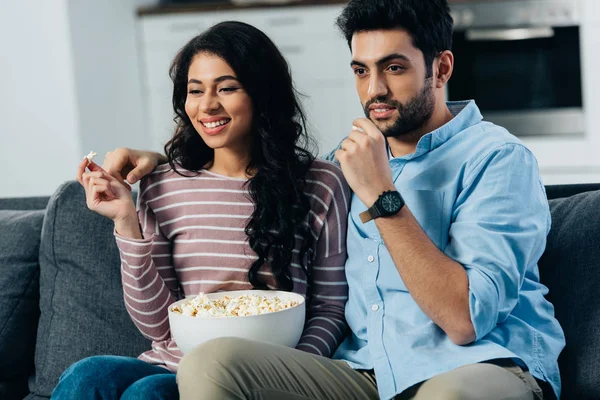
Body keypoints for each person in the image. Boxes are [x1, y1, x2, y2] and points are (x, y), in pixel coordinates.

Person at [104, 1, 566, 399]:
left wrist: (381, 195)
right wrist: (164, 164)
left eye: (395, 67)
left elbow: (465, 320)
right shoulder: (340, 166)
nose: (374, 90)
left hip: (476, 368)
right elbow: (255, 170)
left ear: (441, 68)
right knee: (211, 361)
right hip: (363, 374)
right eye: (361, 71)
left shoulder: (498, 160)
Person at [51, 21, 350, 400]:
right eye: (195, 91)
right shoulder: (163, 185)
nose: (207, 105)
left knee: (147, 394)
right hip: (171, 360)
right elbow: (158, 327)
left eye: (227, 88)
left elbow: (330, 307)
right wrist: (127, 222)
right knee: (87, 375)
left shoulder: (321, 183)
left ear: (262, 93)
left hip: (259, 372)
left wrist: (295, 371)